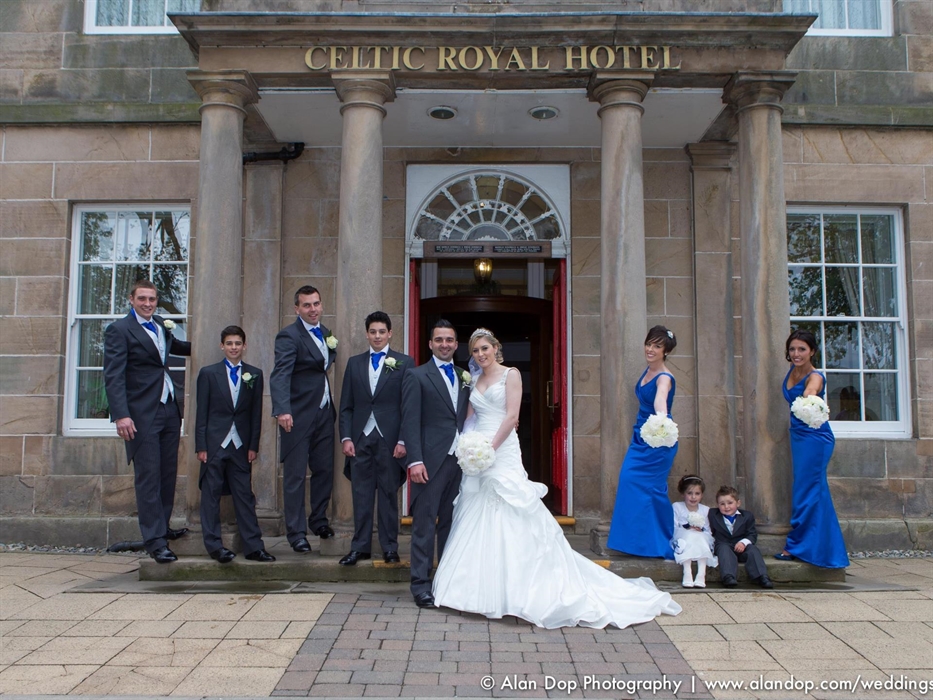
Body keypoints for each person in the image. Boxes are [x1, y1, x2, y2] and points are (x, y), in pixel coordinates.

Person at [432, 328, 681, 628]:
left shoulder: (511, 375)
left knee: (513, 508)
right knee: (476, 509)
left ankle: (522, 590)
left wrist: (488, 448)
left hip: (502, 449)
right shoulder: (474, 380)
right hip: (479, 455)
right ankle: (472, 589)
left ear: (496, 348)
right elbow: (470, 417)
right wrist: (467, 447)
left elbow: (512, 417)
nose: (481, 354)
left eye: (485, 348)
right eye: (475, 351)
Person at [103, 280, 191, 563]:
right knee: (148, 477)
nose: (148, 303)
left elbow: (177, 346)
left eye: (152, 298)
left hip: (168, 409)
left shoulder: (161, 325)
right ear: (131, 299)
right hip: (140, 413)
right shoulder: (119, 330)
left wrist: (221, 342)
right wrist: (121, 414)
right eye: (142, 298)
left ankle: (162, 528)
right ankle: (154, 542)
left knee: (167, 474)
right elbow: (113, 375)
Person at [400, 320, 471, 608]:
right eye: (439, 339)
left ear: (456, 344)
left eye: (450, 340)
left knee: (451, 525)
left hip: (460, 461)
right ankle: (420, 585)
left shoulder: (464, 375)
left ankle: (446, 581)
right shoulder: (416, 376)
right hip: (428, 461)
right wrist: (414, 460)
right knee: (424, 525)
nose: (444, 344)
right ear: (430, 344)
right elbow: (410, 420)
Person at [338, 312, 414, 566]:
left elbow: (408, 406)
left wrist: (403, 440)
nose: (378, 336)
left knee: (389, 496)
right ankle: (359, 547)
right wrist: (347, 437)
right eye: (373, 332)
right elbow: (346, 405)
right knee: (360, 494)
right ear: (367, 334)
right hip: (360, 438)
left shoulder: (404, 363)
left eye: (382, 331)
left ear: (390, 333)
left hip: (390, 440)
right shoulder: (354, 363)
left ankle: (390, 548)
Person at [195, 326, 274, 564]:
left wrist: (253, 446)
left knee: (244, 495)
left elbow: (255, 414)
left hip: (240, 445)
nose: (233, 347)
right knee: (211, 496)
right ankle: (214, 546)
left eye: (238, 343)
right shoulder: (209, 374)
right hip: (214, 443)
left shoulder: (255, 374)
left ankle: (253, 547)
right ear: (222, 346)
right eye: (229, 343)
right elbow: (202, 413)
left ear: (244, 346)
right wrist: (201, 446)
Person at [270, 285, 337, 554]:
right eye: (307, 305)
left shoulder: (327, 334)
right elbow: (280, 374)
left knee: (324, 470)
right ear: (296, 308)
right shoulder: (288, 336)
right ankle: (296, 533)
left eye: (316, 304)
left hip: (323, 412)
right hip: (296, 416)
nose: (313, 309)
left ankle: (318, 520)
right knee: (295, 476)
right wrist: (282, 409)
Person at [776, 329, 849, 568]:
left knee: (807, 491)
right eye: (792, 349)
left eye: (802, 349)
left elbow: (811, 392)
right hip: (799, 437)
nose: (796, 354)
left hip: (816, 440)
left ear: (812, 352)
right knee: (813, 491)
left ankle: (797, 546)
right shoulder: (792, 371)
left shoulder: (815, 376)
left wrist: (809, 397)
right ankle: (822, 550)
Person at [606, 326, 678, 558]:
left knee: (651, 490)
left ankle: (659, 542)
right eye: (649, 343)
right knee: (629, 482)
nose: (650, 349)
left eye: (657, 346)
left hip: (657, 441)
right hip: (641, 438)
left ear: (665, 352)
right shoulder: (647, 371)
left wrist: (661, 420)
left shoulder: (664, 378)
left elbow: (660, 400)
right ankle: (637, 543)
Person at [708, 486, 773, 589]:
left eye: (730, 503)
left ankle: (762, 576)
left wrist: (743, 542)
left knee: (752, 550)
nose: (726, 507)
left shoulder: (747, 516)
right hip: (723, 544)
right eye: (722, 504)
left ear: (738, 503)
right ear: (717, 505)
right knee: (724, 549)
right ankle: (728, 577)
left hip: (741, 547)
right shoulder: (712, 514)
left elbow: (752, 534)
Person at [671, 474, 717, 588]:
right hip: (681, 537)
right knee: (690, 536)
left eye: (697, 493)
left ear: (702, 495)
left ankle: (701, 574)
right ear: (683, 494)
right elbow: (674, 527)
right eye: (689, 493)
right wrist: (688, 529)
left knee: (699, 537)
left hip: (701, 538)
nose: (693, 497)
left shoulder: (705, 510)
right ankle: (687, 572)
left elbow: (708, 531)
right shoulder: (677, 507)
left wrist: (699, 530)